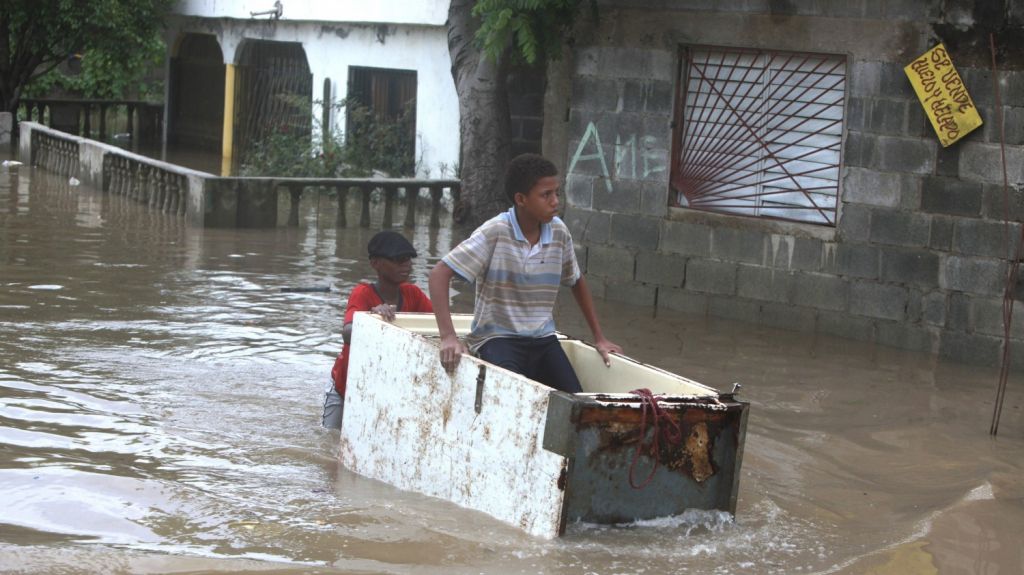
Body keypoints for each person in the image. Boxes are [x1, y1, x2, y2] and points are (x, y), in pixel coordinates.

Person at [428, 153, 621, 393]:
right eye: (545, 195)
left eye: (557, 193)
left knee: (576, 402)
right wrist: (448, 336)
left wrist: (599, 338)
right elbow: (439, 274)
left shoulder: (559, 232)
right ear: (521, 199)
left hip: (543, 339)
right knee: (512, 394)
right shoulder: (496, 231)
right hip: (497, 339)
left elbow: (576, 280)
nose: (555, 202)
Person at [323, 230, 433, 429]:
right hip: (345, 388)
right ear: (375, 263)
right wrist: (371, 319)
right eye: (398, 260)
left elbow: (438, 323)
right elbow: (347, 332)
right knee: (329, 438)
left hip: (383, 389)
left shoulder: (413, 294)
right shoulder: (362, 294)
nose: (406, 265)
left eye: (408, 259)